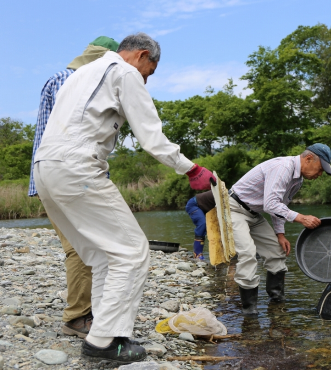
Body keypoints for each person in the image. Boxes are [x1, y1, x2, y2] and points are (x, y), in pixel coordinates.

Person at [33, 32, 215, 363]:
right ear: (142, 55)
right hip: (77, 168)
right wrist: (192, 169)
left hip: (45, 170)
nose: (147, 78)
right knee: (133, 252)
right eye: (151, 71)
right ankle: (103, 343)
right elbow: (151, 137)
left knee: (104, 256)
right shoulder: (125, 71)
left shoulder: (79, 75)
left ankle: (104, 333)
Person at [28, 36, 120, 339]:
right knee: (82, 249)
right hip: (70, 178)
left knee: (89, 247)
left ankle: (87, 312)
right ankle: (77, 317)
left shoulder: (63, 78)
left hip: (57, 177)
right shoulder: (73, 82)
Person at [228, 143, 331, 315]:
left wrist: (280, 234)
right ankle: (250, 312)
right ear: (308, 159)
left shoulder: (297, 180)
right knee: (248, 254)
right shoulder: (283, 168)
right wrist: (300, 217)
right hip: (234, 208)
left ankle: (277, 303)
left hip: (254, 213)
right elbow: (270, 204)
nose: (320, 175)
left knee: (277, 252)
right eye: (320, 169)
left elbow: (280, 205)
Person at [185, 190, 216, 260]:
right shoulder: (223, 196)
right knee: (202, 224)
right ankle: (197, 254)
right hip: (193, 204)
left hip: (204, 208)